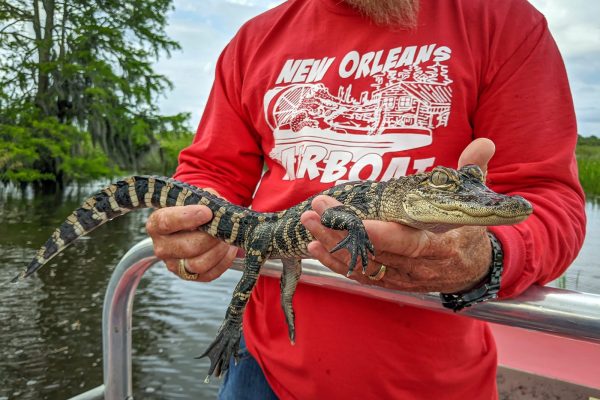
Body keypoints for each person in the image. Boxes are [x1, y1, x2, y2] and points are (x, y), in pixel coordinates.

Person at [146, 0, 586, 398]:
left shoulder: (504, 20)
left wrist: (482, 256)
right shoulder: (253, 39)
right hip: (262, 365)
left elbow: (543, 202)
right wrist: (193, 228)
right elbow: (212, 172)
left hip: (430, 383)